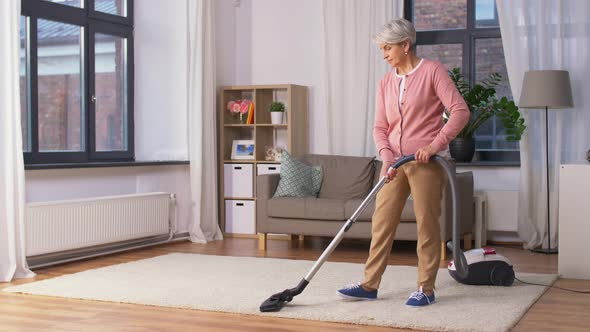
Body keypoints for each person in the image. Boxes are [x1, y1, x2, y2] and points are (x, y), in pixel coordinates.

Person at [337, 18, 469, 307]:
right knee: (381, 222)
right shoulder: (386, 82)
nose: (384, 54)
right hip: (394, 164)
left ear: (406, 45)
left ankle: (426, 288)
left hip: (426, 164)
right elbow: (380, 126)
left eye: (388, 48)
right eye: (382, 48)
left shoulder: (433, 71)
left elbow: (460, 111)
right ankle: (369, 284)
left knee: (427, 225)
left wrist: (434, 145)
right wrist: (385, 156)